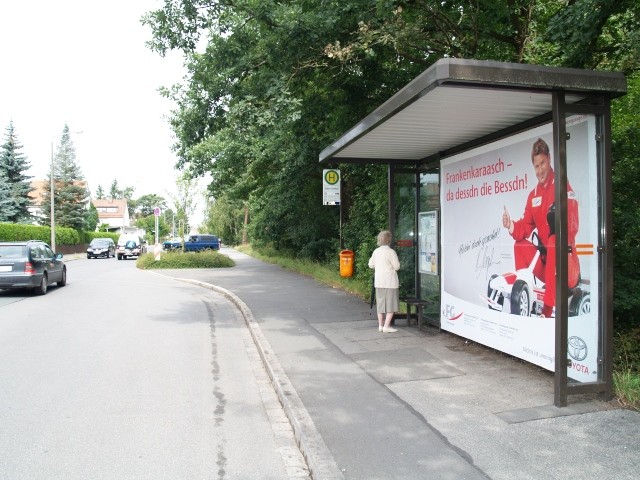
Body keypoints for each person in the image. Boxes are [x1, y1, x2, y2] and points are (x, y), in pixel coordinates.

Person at [502, 138, 580, 317]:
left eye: (542, 163)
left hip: (566, 267)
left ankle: (548, 309)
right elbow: (525, 228)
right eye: (536, 166)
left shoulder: (562, 185)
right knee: (519, 245)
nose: (540, 170)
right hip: (547, 267)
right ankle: (524, 294)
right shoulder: (533, 196)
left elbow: (574, 225)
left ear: (549, 159)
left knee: (554, 239)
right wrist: (510, 224)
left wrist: (559, 221)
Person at [368, 230, 401, 332]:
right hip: (390, 282)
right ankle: (387, 326)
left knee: (381, 304)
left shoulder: (376, 251)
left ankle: (380, 326)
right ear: (389, 240)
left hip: (379, 281)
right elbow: (397, 266)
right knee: (391, 304)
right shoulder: (391, 252)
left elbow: (371, 265)